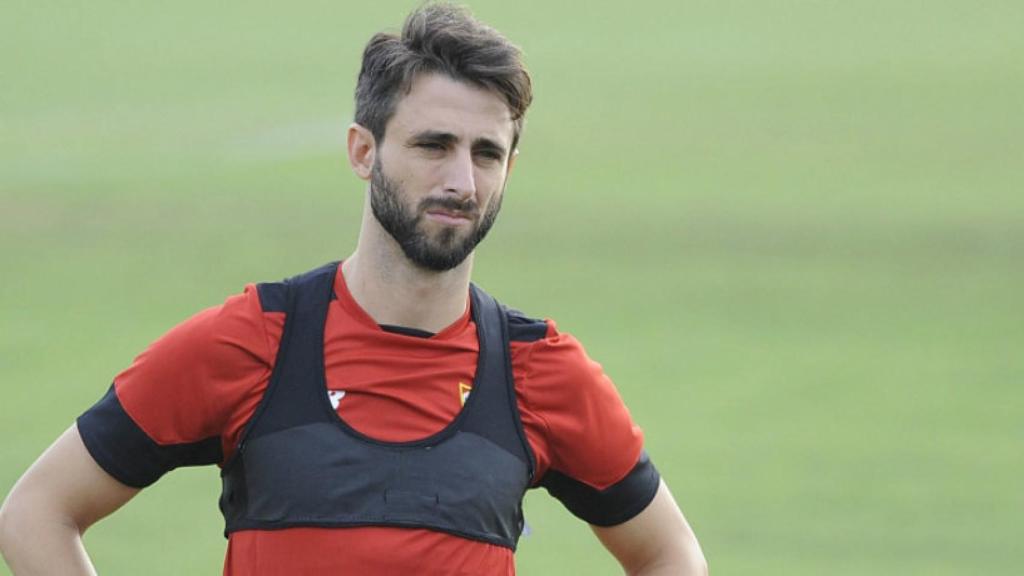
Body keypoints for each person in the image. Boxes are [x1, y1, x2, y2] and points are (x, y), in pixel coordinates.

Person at [0, 4, 707, 575]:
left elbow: (669, 554)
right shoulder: (254, 342)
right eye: (434, 145)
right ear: (363, 152)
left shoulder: (540, 372)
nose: (462, 182)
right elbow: (36, 513)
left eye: (486, 153)